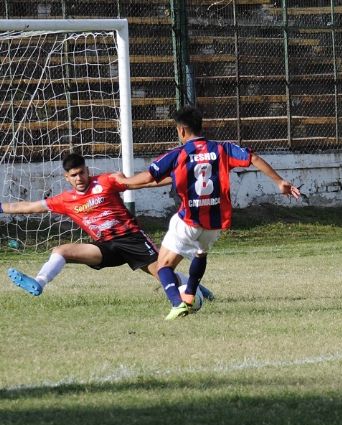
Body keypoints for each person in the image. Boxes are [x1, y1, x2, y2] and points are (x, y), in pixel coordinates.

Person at [116, 106, 301, 320]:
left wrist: (124, 183)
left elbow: (149, 176)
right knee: (200, 253)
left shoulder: (179, 154)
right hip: (214, 222)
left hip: (189, 220)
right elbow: (253, 158)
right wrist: (279, 181)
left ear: (182, 131)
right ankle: (191, 295)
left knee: (163, 265)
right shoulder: (222, 149)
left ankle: (177, 303)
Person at [0, 153, 213, 304]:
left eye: (81, 172)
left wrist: (178, 179)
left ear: (87, 170)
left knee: (163, 274)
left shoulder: (106, 181)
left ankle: (198, 290)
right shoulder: (65, 200)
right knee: (60, 250)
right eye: (73, 175)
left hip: (132, 240)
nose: (79, 178)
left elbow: (140, 183)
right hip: (105, 248)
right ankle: (38, 283)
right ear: (67, 177)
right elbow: (28, 207)